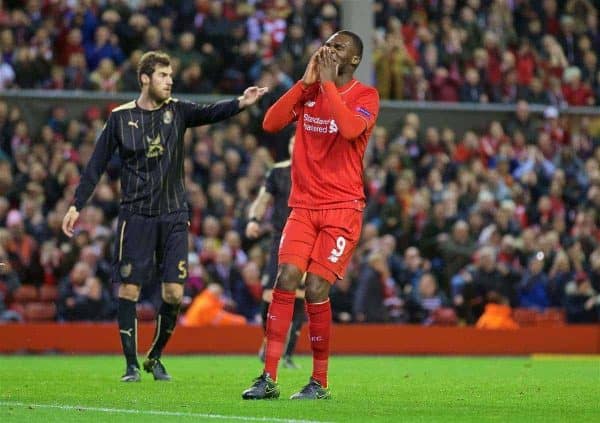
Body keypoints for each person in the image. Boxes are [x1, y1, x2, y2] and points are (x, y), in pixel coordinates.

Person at [62, 51, 267, 382]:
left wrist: (241, 102)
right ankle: (130, 364)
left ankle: (154, 356)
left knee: (173, 293)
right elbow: (96, 164)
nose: (169, 80)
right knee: (129, 289)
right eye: (162, 75)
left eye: (170, 75)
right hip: (136, 216)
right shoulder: (119, 118)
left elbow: (211, 112)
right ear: (145, 78)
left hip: (173, 214)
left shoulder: (179, 111)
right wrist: (76, 204)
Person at [242, 30, 380, 400]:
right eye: (328, 44)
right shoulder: (309, 93)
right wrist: (305, 85)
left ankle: (319, 381)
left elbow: (350, 129)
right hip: (302, 206)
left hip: (342, 208)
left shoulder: (366, 96)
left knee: (316, 287)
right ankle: (267, 377)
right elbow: (270, 123)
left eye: (339, 48)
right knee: (286, 277)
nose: (329, 50)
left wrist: (328, 86)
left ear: (353, 61)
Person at [245, 136, 305, 369]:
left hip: (306, 236)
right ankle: (269, 340)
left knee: (300, 296)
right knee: (269, 295)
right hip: (280, 238)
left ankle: (287, 355)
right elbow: (263, 199)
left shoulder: (315, 170)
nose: (294, 147)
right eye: (291, 144)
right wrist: (253, 219)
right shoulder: (278, 172)